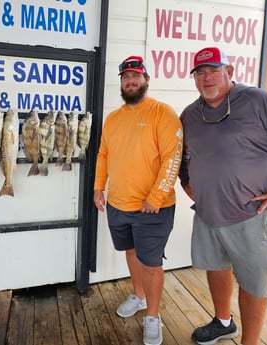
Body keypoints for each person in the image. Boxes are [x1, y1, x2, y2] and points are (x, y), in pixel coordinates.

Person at [179, 46, 267, 345]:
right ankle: (223, 322)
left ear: (229, 72)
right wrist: (187, 183)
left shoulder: (259, 100)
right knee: (216, 267)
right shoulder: (190, 114)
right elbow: (183, 158)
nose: (206, 78)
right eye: (200, 73)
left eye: (213, 71)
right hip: (208, 213)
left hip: (252, 215)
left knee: (254, 284)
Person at [93, 55, 183, 345]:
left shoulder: (162, 112)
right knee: (131, 253)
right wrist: (98, 187)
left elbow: (173, 156)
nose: (130, 81)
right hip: (118, 205)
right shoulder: (114, 118)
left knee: (151, 264)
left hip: (152, 209)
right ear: (121, 82)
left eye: (136, 76)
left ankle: (153, 317)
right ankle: (140, 296)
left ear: (146, 80)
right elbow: (103, 154)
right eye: (125, 77)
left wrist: (156, 197)